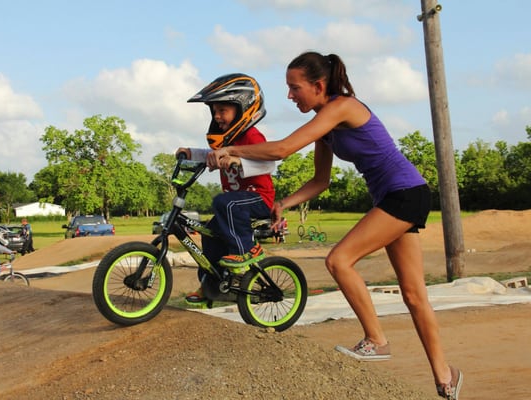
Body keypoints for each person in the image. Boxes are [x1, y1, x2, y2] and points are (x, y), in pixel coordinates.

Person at [209, 51, 462, 399]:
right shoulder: (325, 127)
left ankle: (376, 339)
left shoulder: (342, 106)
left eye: (294, 88)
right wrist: (283, 203)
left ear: (318, 85)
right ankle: (446, 378)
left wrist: (231, 150)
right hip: (397, 196)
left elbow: (283, 149)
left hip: (404, 194)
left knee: (338, 260)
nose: (289, 95)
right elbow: (321, 180)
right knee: (415, 295)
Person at [180, 73, 276, 304]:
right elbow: (211, 155)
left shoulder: (252, 136)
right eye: (214, 111)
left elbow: (269, 163)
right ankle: (210, 286)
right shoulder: (223, 140)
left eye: (222, 110)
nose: (217, 116)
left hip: (258, 199)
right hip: (234, 205)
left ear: (242, 109)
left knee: (224, 202)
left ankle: (247, 250)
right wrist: (191, 154)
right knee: (210, 235)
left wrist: (237, 160)